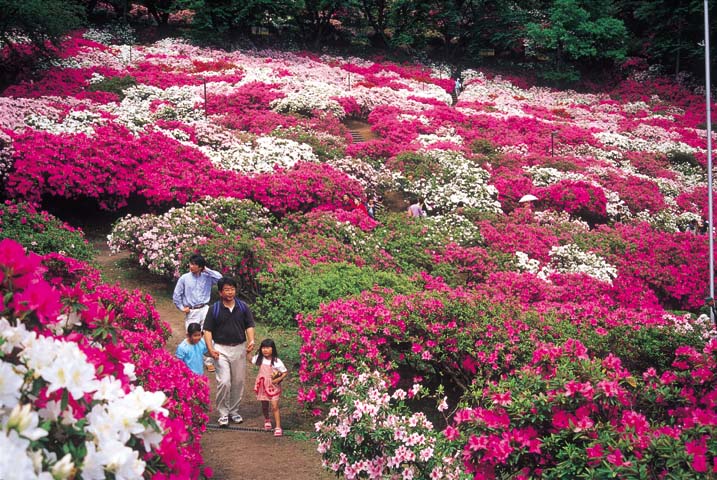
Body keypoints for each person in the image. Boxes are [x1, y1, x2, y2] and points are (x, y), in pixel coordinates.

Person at [204, 277, 256, 427]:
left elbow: (249, 325)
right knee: (224, 382)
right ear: (220, 292)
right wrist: (210, 348)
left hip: (239, 347)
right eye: (226, 289)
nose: (230, 292)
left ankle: (234, 411)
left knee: (238, 382)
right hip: (221, 349)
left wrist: (251, 340)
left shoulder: (243, 307)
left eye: (232, 289)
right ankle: (223, 414)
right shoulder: (214, 309)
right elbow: (207, 330)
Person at [173, 253, 222, 372]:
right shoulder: (184, 278)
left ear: (200, 267)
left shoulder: (207, 276)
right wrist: (181, 307)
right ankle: (192, 361)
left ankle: (209, 360)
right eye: (191, 263)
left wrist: (206, 270)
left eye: (194, 264)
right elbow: (176, 294)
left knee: (209, 333)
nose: (191, 266)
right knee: (193, 335)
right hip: (192, 311)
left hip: (205, 308)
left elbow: (220, 279)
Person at [252, 338, 288, 437]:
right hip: (263, 385)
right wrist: (247, 352)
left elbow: (285, 372)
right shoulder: (259, 358)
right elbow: (250, 360)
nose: (265, 350)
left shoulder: (277, 361)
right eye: (263, 348)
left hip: (273, 386)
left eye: (268, 348)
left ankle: (278, 426)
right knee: (264, 404)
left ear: (273, 349)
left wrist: (278, 379)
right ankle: (267, 419)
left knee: (274, 406)